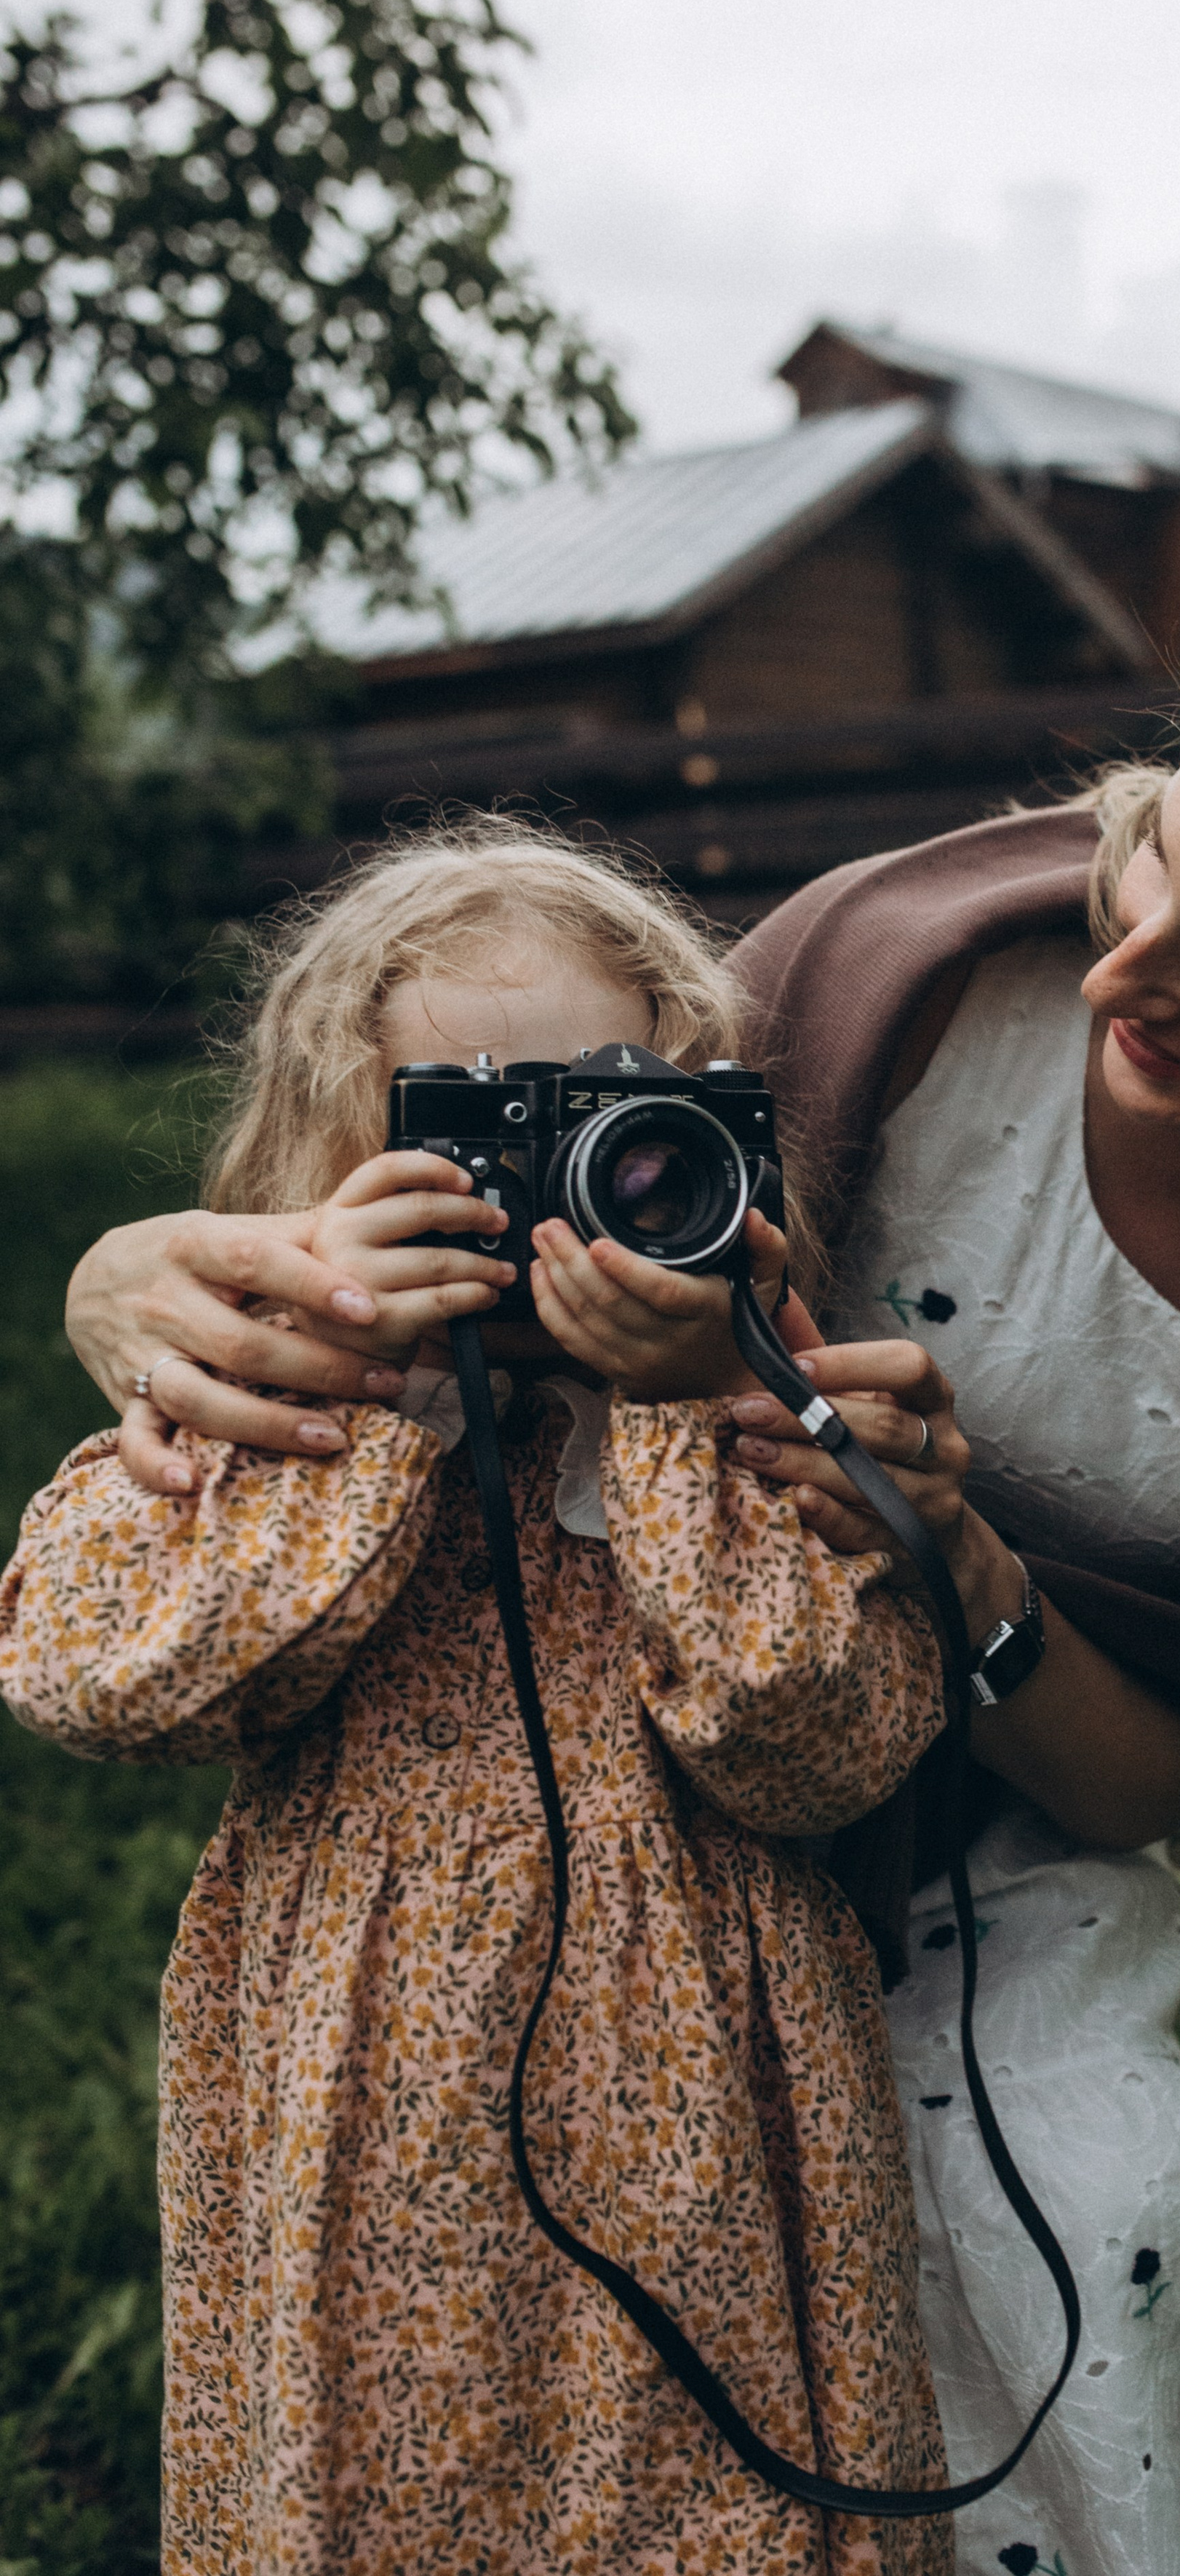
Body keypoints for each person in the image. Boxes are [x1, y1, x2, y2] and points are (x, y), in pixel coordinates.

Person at [63, 545, 1180, 2576]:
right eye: (1156, 850)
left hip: (1000, 1832)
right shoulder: (904, 989)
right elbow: (513, 1168)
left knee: (1114, 2238)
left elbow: (1148, 1773)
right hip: (615, 1778)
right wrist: (145, 1278)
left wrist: (945, 1541)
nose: (1117, 967)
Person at [4, 827, 995, 2576]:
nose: (545, 1200)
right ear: (333, 1169)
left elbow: (817, 1748)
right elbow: (93, 1675)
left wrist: (698, 1399)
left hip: (711, 2106)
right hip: (360, 2100)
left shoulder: (764, 1441)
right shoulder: (257, 1425)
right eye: (468, 1136)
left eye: (600, 1119)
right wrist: (365, 1384)